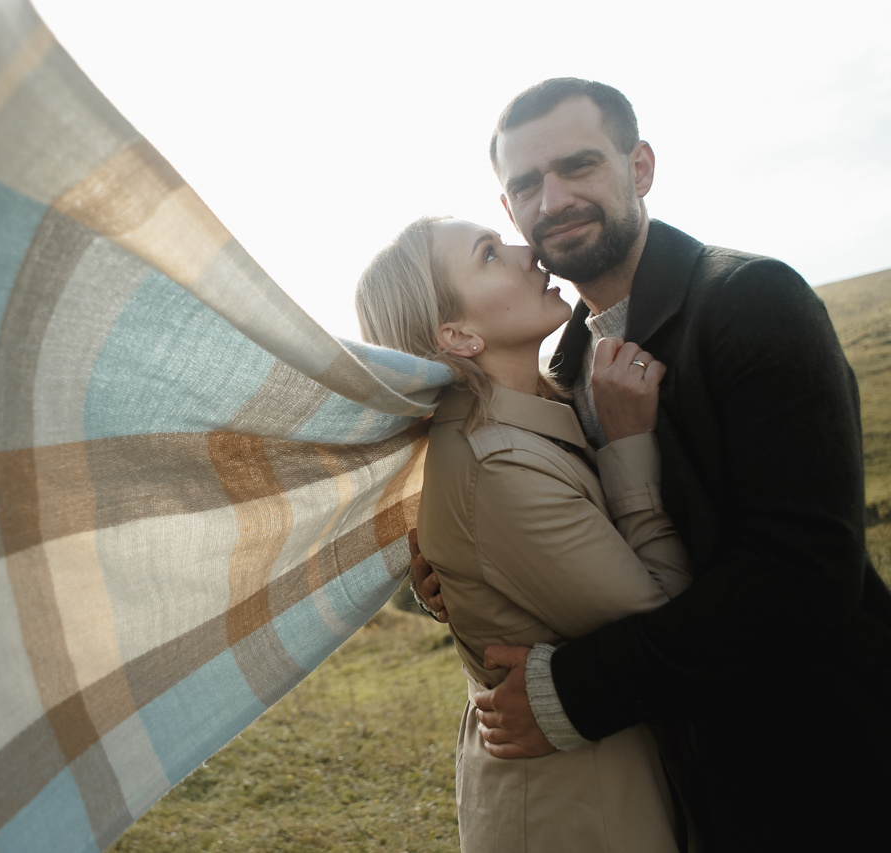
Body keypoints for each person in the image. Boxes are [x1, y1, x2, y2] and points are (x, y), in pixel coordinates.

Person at [411, 78, 891, 850]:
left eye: (579, 165)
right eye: (527, 183)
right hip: (679, 778)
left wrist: (579, 689)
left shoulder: (751, 300)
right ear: (510, 209)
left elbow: (806, 570)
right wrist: (467, 569)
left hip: (812, 769)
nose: (554, 197)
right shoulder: (564, 363)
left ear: (639, 167)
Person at [357, 215, 692, 851]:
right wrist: (630, 444)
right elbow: (667, 622)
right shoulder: (497, 468)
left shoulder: (536, 411)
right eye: (489, 254)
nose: (525, 250)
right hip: (576, 812)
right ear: (456, 335)